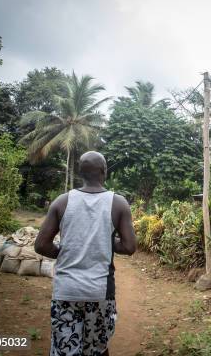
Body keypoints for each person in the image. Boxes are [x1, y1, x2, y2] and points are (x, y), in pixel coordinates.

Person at [35, 151, 136, 356]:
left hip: (65, 291)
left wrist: (67, 252)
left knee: (65, 349)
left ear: (80, 172)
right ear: (104, 172)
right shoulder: (118, 203)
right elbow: (129, 247)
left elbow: (41, 245)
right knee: (98, 349)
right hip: (100, 292)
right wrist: (104, 243)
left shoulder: (62, 202)